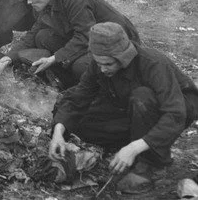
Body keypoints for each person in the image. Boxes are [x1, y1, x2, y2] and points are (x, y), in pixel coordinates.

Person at [49, 22, 198, 194]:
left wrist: (133, 148)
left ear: (122, 57)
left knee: (142, 98)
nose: (102, 69)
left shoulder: (153, 64)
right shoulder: (100, 64)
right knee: (78, 121)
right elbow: (79, 97)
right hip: (129, 105)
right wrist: (58, 133)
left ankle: (150, 164)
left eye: (108, 64)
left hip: (178, 107)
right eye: (99, 63)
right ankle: (137, 138)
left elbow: (175, 114)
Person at [0, 0, 140, 89]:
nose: (28, 2)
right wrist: (4, 61)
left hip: (117, 41)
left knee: (81, 66)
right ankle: (61, 77)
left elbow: (85, 36)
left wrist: (54, 58)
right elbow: (32, 35)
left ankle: (89, 89)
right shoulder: (45, 2)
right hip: (88, 37)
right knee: (41, 37)